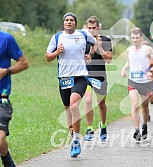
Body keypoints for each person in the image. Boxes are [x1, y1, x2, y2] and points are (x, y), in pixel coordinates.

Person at [45, 12, 96, 157]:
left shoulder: (83, 35)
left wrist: (89, 55)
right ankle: (72, 136)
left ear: (75, 23)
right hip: (64, 78)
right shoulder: (57, 37)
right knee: (68, 109)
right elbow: (47, 57)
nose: (69, 22)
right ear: (63, 23)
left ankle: (75, 139)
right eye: (66, 20)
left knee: (74, 105)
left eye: (71, 20)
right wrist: (57, 52)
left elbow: (95, 43)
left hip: (80, 76)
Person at [121, 27, 153, 141]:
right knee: (134, 105)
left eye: (137, 38)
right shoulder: (129, 50)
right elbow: (129, 63)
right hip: (133, 81)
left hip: (145, 82)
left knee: (145, 107)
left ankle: (145, 125)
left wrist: (151, 71)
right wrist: (123, 69)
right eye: (133, 38)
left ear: (141, 38)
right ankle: (136, 130)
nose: (135, 40)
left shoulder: (147, 50)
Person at [0, 31, 29, 167]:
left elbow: (23, 63)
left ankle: (8, 162)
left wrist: (6, 71)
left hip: (2, 99)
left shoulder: (6, 39)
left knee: (0, 140)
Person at [83, 16, 112, 142]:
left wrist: (99, 47)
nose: (92, 30)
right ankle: (89, 128)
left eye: (94, 28)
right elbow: (83, 57)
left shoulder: (105, 40)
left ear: (98, 27)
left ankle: (103, 126)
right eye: (89, 28)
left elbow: (109, 59)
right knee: (88, 100)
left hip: (100, 76)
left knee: (101, 103)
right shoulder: (84, 40)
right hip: (87, 75)